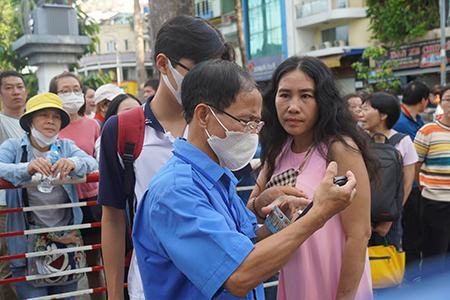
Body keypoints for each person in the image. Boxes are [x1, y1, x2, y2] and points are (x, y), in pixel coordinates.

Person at [133, 59, 357, 300]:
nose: (252, 132)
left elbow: (245, 243)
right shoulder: (177, 191)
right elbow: (239, 275)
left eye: (257, 123)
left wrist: (279, 220)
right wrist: (319, 213)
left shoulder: (218, 177)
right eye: (246, 121)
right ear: (204, 115)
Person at [98, 16, 236, 300]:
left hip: (218, 278)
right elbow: (112, 217)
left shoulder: (218, 123)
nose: (207, 84)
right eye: (198, 70)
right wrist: (113, 293)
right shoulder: (123, 130)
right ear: (163, 64)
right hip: (152, 284)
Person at [251, 56, 376, 300]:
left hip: (335, 277)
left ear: (323, 101)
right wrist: (264, 201)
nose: (293, 106)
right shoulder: (277, 148)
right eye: (285, 94)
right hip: (294, 274)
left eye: (306, 96)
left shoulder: (339, 149)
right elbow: (252, 209)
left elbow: (359, 234)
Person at [0, 93, 98, 299]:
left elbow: (91, 162)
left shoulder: (66, 146)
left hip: (65, 240)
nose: (50, 121)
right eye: (43, 115)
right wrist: (25, 169)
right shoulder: (13, 147)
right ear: (29, 121)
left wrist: (74, 163)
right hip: (27, 243)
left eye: (56, 116)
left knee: (68, 296)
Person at [48, 72, 103, 299]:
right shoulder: (50, 127)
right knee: (64, 259)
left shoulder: (93, 125)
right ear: (54, 95)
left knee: (96, 259)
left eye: (75, 89)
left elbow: (99, 160)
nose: (72, 94)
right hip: (62, 203)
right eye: (64, 90)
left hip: (93, 200)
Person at [361, 92, 418, 249]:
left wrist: (389, 220)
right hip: (359, 217)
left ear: (383, 115)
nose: (361, 114)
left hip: (390, 218)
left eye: (366, 109)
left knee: (387, 264)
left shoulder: (403, 141)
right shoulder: (357, 140)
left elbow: (406, 185)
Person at [393, 80, 430, 281]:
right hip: (407, 186)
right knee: (410, 233)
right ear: (424, 101)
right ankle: (410, 275)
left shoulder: (417, 121)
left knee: (415, 232)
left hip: (417, 185)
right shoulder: (400, 122)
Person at [414, 85, 450, 275]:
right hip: (435, 203)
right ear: (440, 102)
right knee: (434, 256)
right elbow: (415, 165)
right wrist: (424, 187)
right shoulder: (428, 131)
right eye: (448, 99)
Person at [0, 70, 27, 299]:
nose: (15, 91)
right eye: (9, 87)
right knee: (7, 263)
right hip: (5, 206)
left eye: (19, 86)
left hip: (36, 202)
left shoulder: (38, 119)